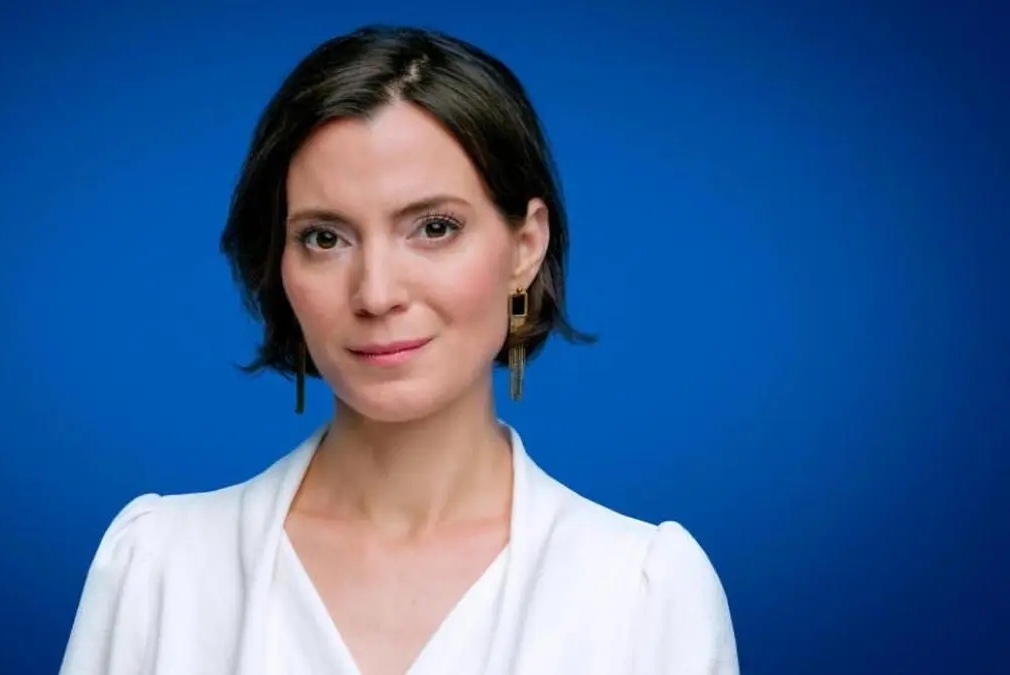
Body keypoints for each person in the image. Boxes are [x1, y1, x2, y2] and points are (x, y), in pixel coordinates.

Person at [58, 24, 738, 675]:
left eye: (434, 227)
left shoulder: (644, 592)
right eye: (325, 237)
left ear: (526, 246)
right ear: (278, 261)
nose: (376, 293)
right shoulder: (157, 569)